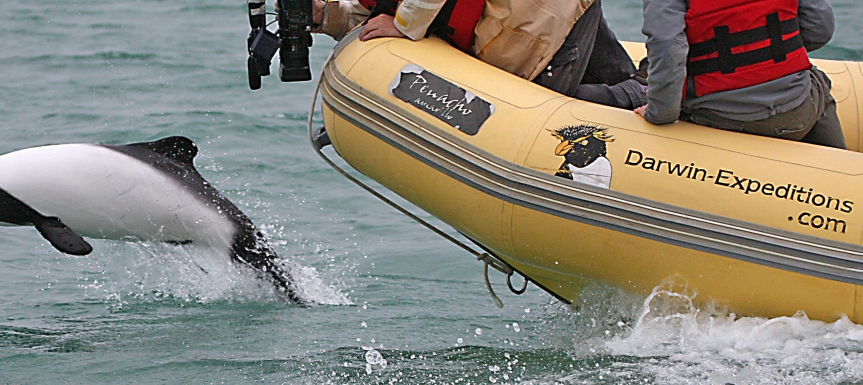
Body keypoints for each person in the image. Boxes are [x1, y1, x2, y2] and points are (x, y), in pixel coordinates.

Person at [311, 0, 649, 110]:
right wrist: (325, 14)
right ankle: (644, 86)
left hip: (538, 26)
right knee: (606, 72)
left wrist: (405, 23)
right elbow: (380, 11)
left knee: (550, 107)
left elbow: (401, 17)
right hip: (522, 25)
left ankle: (642, 92)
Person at [635, 0, 846, 149]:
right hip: (796, 111)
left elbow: (668, 49)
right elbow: (820, 28)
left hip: (717, 116)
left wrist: (660, 114)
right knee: (818, 82)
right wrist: (771, 55)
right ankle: (843, 180)